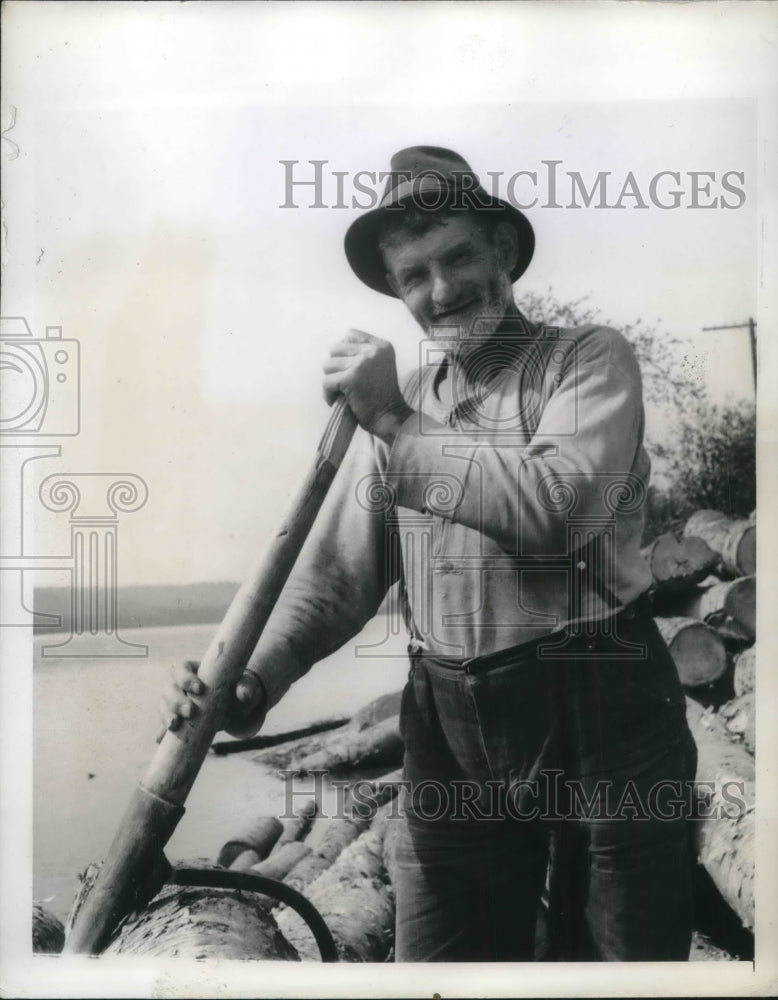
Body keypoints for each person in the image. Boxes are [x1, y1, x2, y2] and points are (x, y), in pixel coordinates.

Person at [160, 146, 697, 962]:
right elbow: (334, 579)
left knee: (623, 972)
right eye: (413, 275)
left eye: (456, 258)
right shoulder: (400, 417)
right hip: (450, 733)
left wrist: (399, 427)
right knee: (440, 971)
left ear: (504, 253)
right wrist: (251, 679)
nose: (440, 291)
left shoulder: (588, 361)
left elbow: (556, 509)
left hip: (606, 719)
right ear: (395, 289)